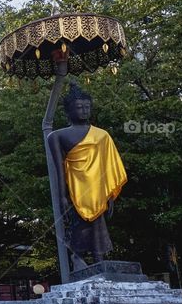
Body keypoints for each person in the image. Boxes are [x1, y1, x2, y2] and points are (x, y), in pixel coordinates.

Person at [47, 84, 127, 273]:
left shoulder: (102, 135)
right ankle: (79, 257)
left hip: (98, 187)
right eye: (79, 107)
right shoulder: (57, 136)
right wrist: (62, 197)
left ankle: (99, 258)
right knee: (78, 223)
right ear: (68, 111)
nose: (84, 110)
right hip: (76, 187)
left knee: (99, 223)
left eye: (87, 107)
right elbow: (59, 170)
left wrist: (110, 193)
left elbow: (109, 165)